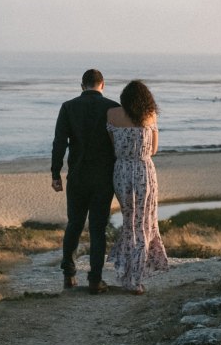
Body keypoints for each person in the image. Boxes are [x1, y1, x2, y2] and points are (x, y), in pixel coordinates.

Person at [51, 68, 119, 293]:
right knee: (98, 229)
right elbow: (119, 145)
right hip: (103, 177)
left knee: (74, 224)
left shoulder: (68, 107)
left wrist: (55, 174)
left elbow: (59, 143)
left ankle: (69, 276)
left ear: (82, 86)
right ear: (103, 84)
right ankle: (95, 280)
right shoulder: (113, 108)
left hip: (77, 176)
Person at [106, 79, 169, 294]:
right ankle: (135, 279)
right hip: (144, 171)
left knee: (129, 221)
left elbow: (113, 146)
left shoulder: (112, 114)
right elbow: (153, 149)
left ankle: (127, 272)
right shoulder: (150, 116)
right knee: (144, 222)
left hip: (121, 172)